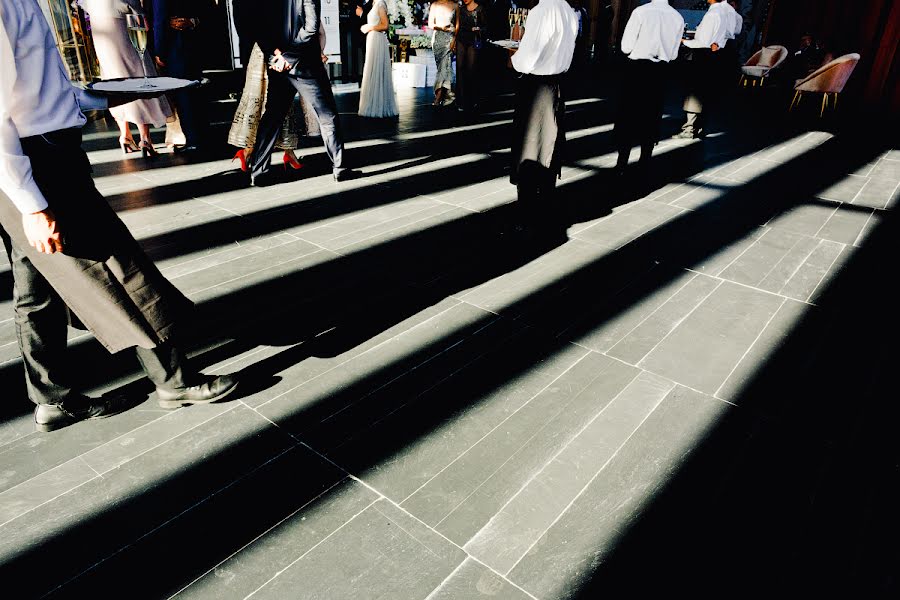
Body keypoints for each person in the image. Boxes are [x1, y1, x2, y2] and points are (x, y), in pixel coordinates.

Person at [0, 0, 238, 433]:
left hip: (36, 156)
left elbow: (33, 89)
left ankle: (52, 399)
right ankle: (174, 381)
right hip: (36, 163)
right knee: (118, 268)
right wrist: (32, 204)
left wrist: (109, 94)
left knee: (35, 289)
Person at [247, 0, 359, 185]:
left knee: (272, 118)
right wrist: (288, 57)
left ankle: (258, 171)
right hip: (305, 65)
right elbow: (311, 27)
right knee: (327, 116)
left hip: (278, 65)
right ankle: (340, 168)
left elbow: (257, 27)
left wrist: (276, 55)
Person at [509, 0, 578, 227]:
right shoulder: (568, 11)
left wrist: (513, 58)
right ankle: (545, 205)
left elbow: (528, 59)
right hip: (557, 85)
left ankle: (526, 214)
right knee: (550, 143)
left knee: (529, 146)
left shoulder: (542, 11)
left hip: (536, 88)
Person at [77, 0, 172, 157]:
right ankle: (145, 139)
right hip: (126, 39)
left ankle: (125, 136)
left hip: (103, 44)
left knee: (114, 85)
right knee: (138, 81)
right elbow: (143, 25)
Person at [228, 30, 327, 172]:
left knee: (283, 103)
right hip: (266, 52)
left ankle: (286, 152)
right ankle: (251, 152)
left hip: (284, 50)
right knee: (262, 101)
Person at [613, 0, 684, 176]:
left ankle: (622, 163)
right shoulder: (677, 18)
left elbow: (626, 47)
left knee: (629, 115)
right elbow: (674, 54)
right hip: (660, 72)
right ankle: (644, 162)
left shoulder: (640, 12)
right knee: (652, 115)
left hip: (637, 70)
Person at [146, 0, 210, 153]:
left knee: (183, 96)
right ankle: (201, 136)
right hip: (193, 43)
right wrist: (193, 21)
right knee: (194, 92)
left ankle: (194, 140)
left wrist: (159, 51)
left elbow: (160, 19)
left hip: (174, 46)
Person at [673, 0, 730, 139]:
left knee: (694, 92)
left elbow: (702, 42)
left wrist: (683, 41)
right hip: (713, 56)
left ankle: (689, 129)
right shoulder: (723, 13)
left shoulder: (713, 14)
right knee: (704, 92)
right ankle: (698, 127)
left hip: (702, 56)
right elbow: (723, 38)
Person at [358, 0, 399, 118]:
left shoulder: (380, 3)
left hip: (376, 39)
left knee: (376, 70)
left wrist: (369, 27)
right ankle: (373, 103)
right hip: (372, 39)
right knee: (372, 70)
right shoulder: (375, 3)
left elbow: (385, 25)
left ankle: (378, 106)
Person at [456, 0, 486, 114]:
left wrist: (478, 29)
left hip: (473, 40)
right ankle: (461, 101)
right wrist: (454, 41)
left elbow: (485, 27)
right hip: (461, 40)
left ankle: (472, 99)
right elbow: (457, 26)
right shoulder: (460, 9)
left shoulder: (480, 9)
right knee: (460, 68)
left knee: (471, 70)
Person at [428, 0, 459, 107]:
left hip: (450, 38)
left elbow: (457, 25)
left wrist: (454, 40)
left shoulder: (455, 5)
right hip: (437, 39)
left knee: (445, 66)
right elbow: (430, 24)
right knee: (442, 68)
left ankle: (439, 96)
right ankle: (448, 94)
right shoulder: (435, 5)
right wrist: (441, 28)